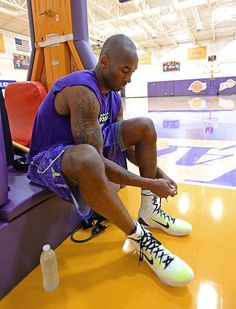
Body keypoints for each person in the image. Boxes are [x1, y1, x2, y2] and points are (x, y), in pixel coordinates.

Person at [28, 34, 194, 287]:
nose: (128, 79)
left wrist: (158, 176)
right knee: (88, 157)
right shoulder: (82, 90)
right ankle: (141, 238)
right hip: (47, 158)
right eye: (125, 70)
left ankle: (150, 211)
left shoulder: (114, 96)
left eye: (133, 72)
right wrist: (148, 183)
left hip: (84, 153)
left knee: (144, 126)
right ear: (104, 62)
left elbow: (122, 149)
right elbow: (96, 160)